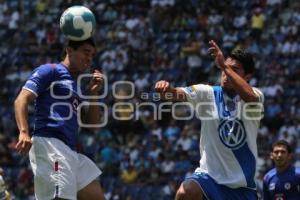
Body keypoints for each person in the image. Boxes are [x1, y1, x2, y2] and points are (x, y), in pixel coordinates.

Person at [155, 40, 264, 200]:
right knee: (186, 192)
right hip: (209, 178)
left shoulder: (255, 96)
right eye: (224, 70)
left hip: (242, 185)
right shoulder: (207, 93)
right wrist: (165, 91)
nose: (226, 75)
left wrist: (224, 66)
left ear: (247, 77)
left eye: (234, 70)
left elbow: (251, 98)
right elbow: (175, 94)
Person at [14, 38, 106, 200]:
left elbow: (93, 125)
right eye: (86, 52)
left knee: (96, 196)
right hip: (51, 146)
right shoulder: (50, 70)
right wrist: (23, 132)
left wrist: (93, 92)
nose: (90, 58)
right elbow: (21, 99)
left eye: (92, 55)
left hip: (71, 150)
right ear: (69, 51)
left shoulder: (77, 86)